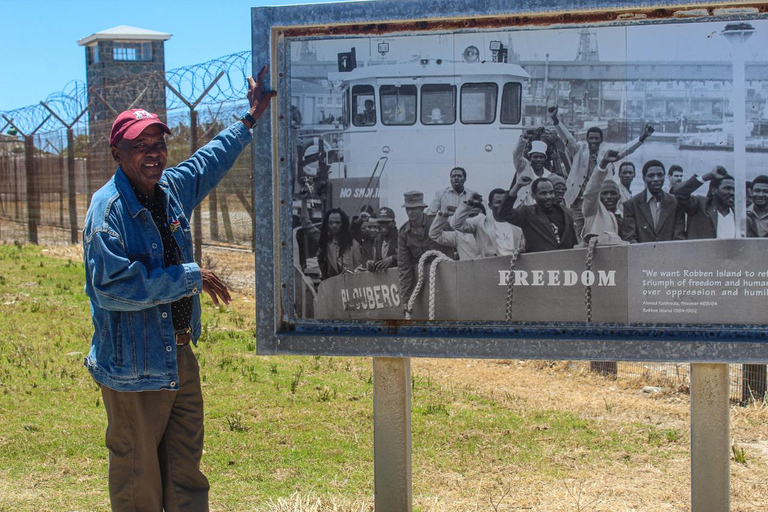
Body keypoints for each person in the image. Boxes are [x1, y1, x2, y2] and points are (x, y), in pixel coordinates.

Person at [82, 66, 275, 510]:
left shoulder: (167, 188)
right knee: (139, 477)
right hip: (134, 365)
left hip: (178, 353)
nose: (153, 153)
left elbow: (208, 161)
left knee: (185, 470)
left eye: (158, 143)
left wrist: (249, 119)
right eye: (140, 145)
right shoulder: (107, 211)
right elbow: (112, 288)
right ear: (116, 151)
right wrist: (189, 277)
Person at [549, 106, 653, 239]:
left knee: (600, 231)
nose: (593, 141)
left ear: (600, 140)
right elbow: (566, 137)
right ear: (587, 140)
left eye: (596, 138)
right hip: (577, 201)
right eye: (591, 138)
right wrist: (555, 119)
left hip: (600, 201)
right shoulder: (578, 151)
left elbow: (626, 149)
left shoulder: (607, 155)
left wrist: (643, 137)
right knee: (577, 232)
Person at [397, 191, 450, 305]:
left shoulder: (438, 223)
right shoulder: (403, 233)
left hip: (447, 278)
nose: (410, 212)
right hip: (424, 282)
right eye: (408, 209)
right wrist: (406, 300)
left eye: (414, 208)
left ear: (422, 208)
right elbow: (404, 267)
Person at [498, 177, 577, 253]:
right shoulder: (527, 213)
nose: (548, 196)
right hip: (539, 263)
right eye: (543, 193)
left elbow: (574, 242)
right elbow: (504, 213)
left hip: (566, 261)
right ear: (533, 196)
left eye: (551, 192)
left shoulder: (567, 213)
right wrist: (517, 186)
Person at [621, 160, 682, 243]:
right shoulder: (631, 204)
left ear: (664, 177)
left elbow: (679, 235)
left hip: (669, 253)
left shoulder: (675, 202)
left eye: (660, 175)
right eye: (651, 175)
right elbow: (630, 237)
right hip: (641, 254)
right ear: (644, 178)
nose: (656, 179)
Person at [453, 189, 525, 257]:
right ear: (490, 206)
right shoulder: (481, 221)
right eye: (498, 202)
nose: (502, 205)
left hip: (515, 267)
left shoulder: (518, 222)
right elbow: (456, 224)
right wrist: (469, 203)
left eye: (505, 202)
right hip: (489, 267)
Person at [672, 166, 736, 240]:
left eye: (734, 189)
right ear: (713, 191)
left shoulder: (738, 215)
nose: (732, 193)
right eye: (727, 188)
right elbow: (678, 193)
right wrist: (708, 176)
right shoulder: (700, 205)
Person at [581, 150, 625, 244]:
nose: (609, 197)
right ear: (599, 196)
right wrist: (603, 164)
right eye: (605, 193)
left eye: (613, 193)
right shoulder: (592, 211)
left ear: (619, 196)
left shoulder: (623, 214)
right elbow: (590, 192)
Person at [512, 135, 553, 207]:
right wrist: (523, 139)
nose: (538, 160)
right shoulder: (523, 168)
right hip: (524, 210)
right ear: (530, 158)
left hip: (541, 212)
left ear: (545, 159)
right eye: (535, 157)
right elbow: (517, 154)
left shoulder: (549, 175)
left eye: (541, 157)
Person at [367, 207, 399, 272]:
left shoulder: (401, 237)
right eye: (380, 222)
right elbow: (379, 261)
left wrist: (393, 258)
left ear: (394, 223)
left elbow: (410, 257)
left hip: (401, 276)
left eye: (387, 222)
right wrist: (372, 264)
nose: (383, 225)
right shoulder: (378, 239)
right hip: (385, 278)